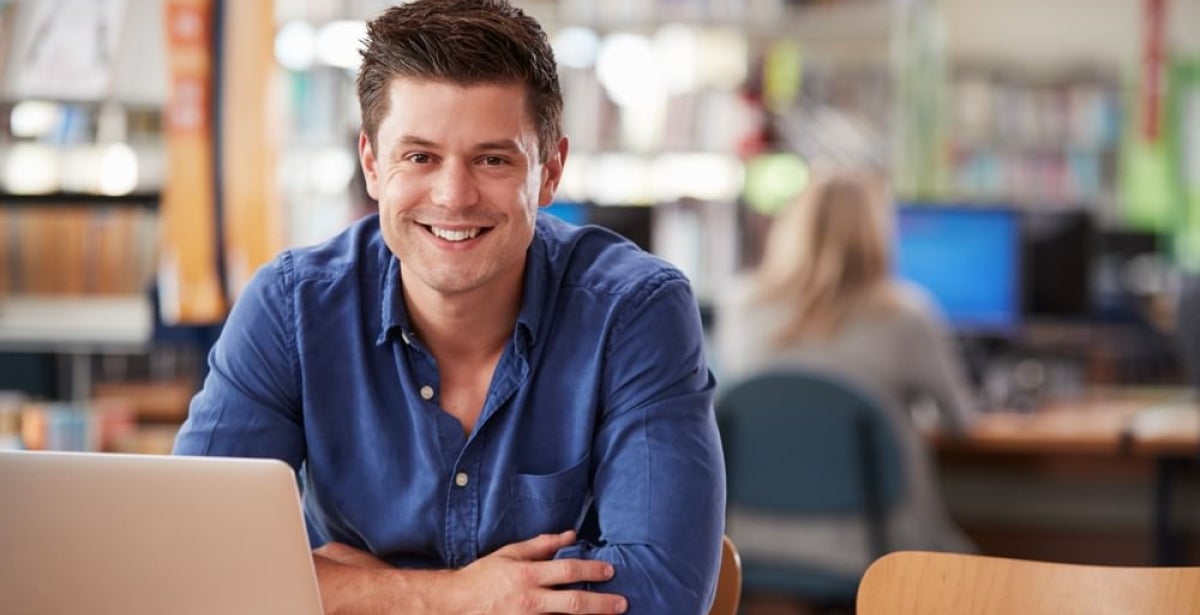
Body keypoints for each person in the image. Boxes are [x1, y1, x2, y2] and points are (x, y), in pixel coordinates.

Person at [173, 1, 726, 613]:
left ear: (550, 171)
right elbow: (195, 563)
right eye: (419, 157)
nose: (454, 196)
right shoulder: (290, 308)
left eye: (492, 159)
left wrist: (346, 590)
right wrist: (453, 596)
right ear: (372, 165)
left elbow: (660, 595)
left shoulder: (635, 312)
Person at [715, 169, 979, 575]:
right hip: (877, 545)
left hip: (749, 537)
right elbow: (961, 421)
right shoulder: (906, 316)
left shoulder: (740, 306)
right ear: (877, 233)